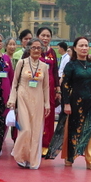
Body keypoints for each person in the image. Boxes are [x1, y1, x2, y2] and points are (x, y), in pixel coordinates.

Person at [58, 36, 91, 169]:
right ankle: (70, 156)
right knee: (74, 130)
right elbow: (65, 85)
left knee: (90, 129)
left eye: (86, 45)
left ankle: (90, 158)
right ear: (75, 48)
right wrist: (66, 103)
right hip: (75, 103)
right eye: (81, 46)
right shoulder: (71, 65)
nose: (84, 48)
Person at [7, 38, 50, 169]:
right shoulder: (22, 62)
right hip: (23, 97)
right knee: (25, 129)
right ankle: (20, 155)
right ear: (29, 49)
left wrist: (47, 103)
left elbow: (46, 87)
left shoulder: (44, 66)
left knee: (36, 130)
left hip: (38, 99)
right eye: (33, 47)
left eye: (39, 48)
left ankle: (31, 159)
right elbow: (14, 83)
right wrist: (12, 100)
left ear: (42, 50)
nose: (36, 50)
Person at [36, 27, 60, 155]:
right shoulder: (33, 50)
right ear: (38, 36)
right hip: (35, 88)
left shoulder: (52, 53)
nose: (45, 38)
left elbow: (55, 71)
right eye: (43, 35)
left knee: (49, 116)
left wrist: (58, 89)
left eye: (48, 36)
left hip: (50, 89)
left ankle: (46, 145)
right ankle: (34, 144)